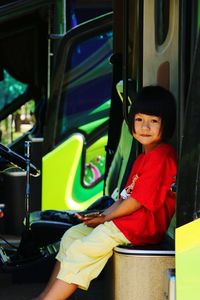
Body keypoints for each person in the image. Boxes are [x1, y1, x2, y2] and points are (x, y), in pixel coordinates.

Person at [34, 85, 177, 300]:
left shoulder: (161, 157)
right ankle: (45, 295)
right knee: (72, 236)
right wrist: (100, 216)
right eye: (139, 120)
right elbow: (124, 199)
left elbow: (137, 202)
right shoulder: (143, 158)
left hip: (142, 228)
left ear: (166, 124)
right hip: (128, 223)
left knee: (82, 250)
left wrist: (105, 218)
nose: (145, 127)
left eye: (153, 121)